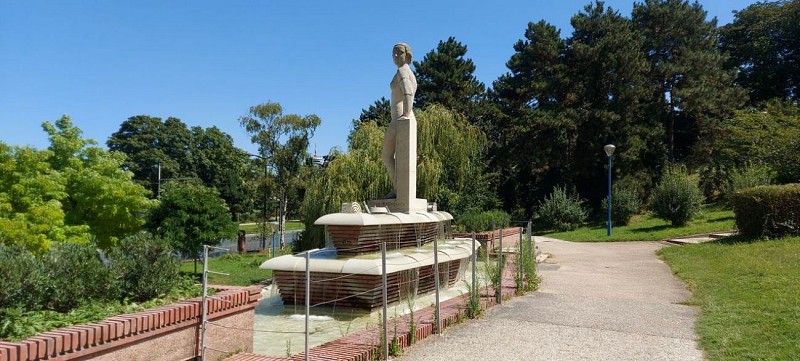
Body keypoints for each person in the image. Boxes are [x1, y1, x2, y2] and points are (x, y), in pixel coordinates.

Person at [382, 42, 417, 198]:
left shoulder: (403, 71)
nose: (396, 56)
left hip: (400, 118)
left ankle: (399, 189)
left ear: (407, 55)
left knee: (386, 155)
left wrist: (405, 114)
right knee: (390, 156)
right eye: (393, 54)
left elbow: (408, 92)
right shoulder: (406, 71)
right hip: (402, 117)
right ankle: (399, 190)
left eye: (399, 53)